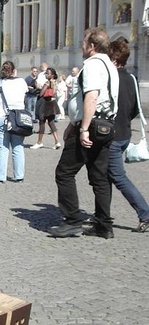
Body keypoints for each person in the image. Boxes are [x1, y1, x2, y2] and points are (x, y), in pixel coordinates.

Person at [49, 27, 119, 239]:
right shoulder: (110, 65)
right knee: (100, 177)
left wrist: (84, 128)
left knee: (64, 172)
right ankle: (104, 224)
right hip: (107, 125)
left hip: (92, 125)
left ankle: (72, 220)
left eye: (84, 42)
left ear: (92, 46)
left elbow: (91, 97)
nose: (81, 45)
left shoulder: (91, 65)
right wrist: (74, 122)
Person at [107, 38, 149, 233]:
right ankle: (102, 214)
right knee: (103, 175)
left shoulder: (110, 79)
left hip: (112, 136)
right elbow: (136, 108)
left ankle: (145, 214)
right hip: (124, 133)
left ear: (113, 58)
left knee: (118, 176)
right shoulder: (131, 78)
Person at [0, 61, 28, 183]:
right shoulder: (21, 82)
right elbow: (25, 95)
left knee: (2, 148)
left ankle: (0, 176)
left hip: (1, 116)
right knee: (18, 146)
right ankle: (19, 175)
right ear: (14, 70)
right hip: (17, 118)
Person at [30, 67, 61, 149]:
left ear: (52, 75)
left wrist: (39, 88)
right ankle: (57, 142)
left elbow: (41, 94)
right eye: (46, 73)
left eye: (48, 73)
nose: (46, 75)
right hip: (52, 103)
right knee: (51, 122)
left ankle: (39, 142)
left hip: (44, 104)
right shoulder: (55, 82)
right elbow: (53, 93)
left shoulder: (47, 83)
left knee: (42, 122)